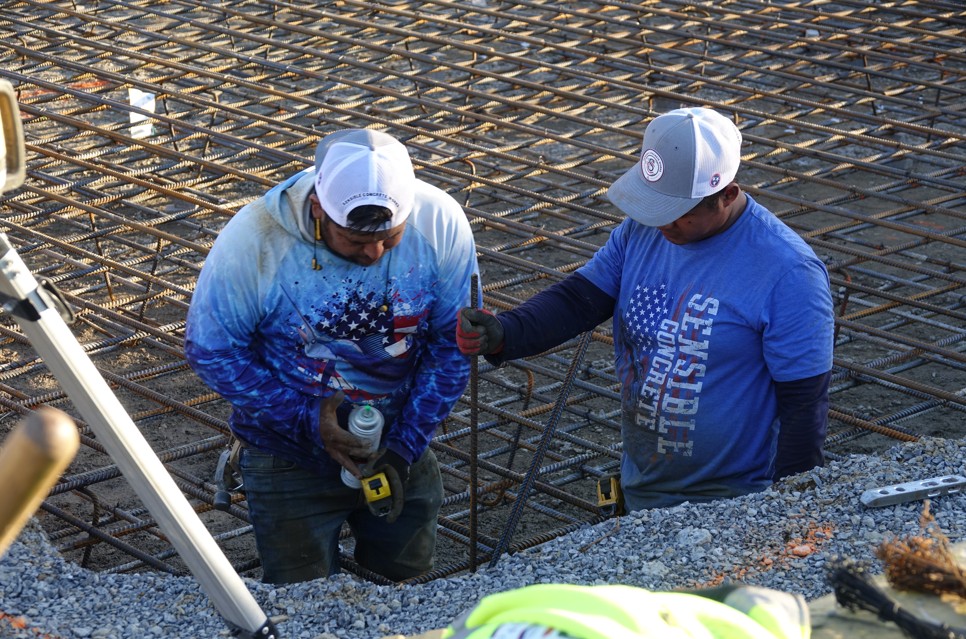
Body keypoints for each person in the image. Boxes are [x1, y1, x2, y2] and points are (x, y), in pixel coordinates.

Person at [457, 107, 834, 513]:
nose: (662, 226)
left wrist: (786, 511)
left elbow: (804, 404)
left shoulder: (788, 272)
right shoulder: (644, 230)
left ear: (727, 194)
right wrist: (507, 332)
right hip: (647, 485)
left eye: (679, 216)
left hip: (735, 501)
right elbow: (580, 298)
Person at [184, 128, 479, 583]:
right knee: (303, 604)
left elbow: (452, 343)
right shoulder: (256, 239)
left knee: (409, 591)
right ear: (320, 209)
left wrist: (404, 448)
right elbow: (212, 350)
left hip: (399, 440)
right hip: (287, 454)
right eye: (356, 241)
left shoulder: (440, 222)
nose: (374, 252)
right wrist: (306, 420)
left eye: (390, 237)